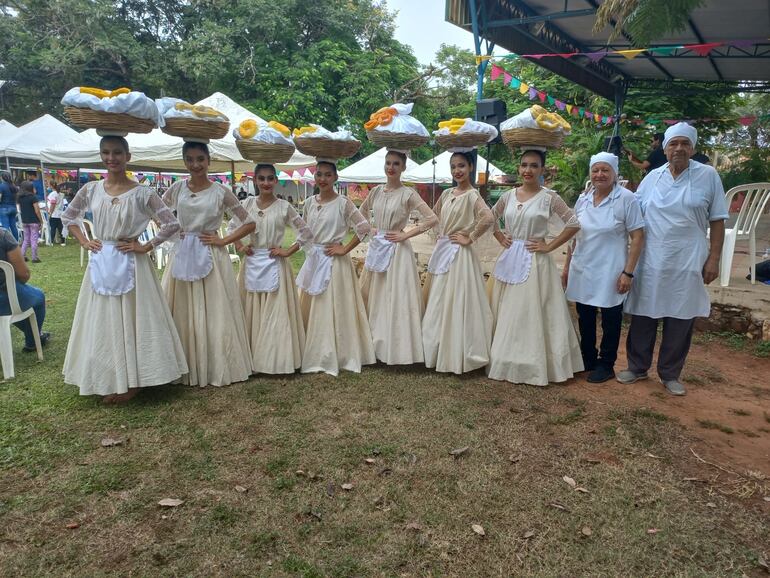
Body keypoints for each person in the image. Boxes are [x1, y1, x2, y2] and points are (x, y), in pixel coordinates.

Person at [62, 135, 188, 402]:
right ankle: (106, 374)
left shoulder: (144, 192)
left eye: (117, 152)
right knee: (103, 319)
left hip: (132, 262)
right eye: (106, 152)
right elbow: (69, 216)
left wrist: (147, 245)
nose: (112, 158)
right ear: (101, 155)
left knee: (136, 318)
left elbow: (170, 223)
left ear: (128, 156)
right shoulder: (91, 190)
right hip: (102, 261)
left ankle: (136, 380)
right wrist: (85, 241)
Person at [620, 122, 728, 396]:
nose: (679, 149)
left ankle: (670, 373)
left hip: (688, 256)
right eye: (673, 144)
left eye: (685, 144)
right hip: (652, 256)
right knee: (644, 311)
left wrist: (713, 258)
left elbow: (717, 220)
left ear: (692, 148)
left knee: (681, 315)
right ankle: (637, 366)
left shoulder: (708, 175)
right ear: (665, 148)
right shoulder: (653, 177)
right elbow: (634, 214)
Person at [161, 141, 255, 387]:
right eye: (190, 159)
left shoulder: (220, 191)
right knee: (181, 307)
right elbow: (157, 212)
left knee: (215, 309)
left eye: (200, 159)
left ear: (208, 160)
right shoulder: (176, 189)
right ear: (184, 161)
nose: (195, 165)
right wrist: (173, 232)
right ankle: (183, 362)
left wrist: (223, 240)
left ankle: (216, 362)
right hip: (183, 252)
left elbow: (248, 222)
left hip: (211, 254)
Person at [487, 149, 583, 385]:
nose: (527, 170)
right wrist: (500, 237)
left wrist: (549, 246)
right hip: (511, 257)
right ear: (519, 168)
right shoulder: (508, 196)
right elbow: (489, 217)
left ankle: (533, 362)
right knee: (507, 307)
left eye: (533, 165)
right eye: (524, 165)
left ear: (542, 169)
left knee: (530, 311)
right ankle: (503, 356)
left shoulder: (550, 197)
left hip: (536, 262)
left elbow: (573, 223)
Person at [563, 152, 645, 383]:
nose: (600, 174)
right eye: (596, 170)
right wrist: (567, 268)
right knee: (585, 316)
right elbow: (574, 235)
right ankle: (587, 357)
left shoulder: (626, 199)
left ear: (614, 173)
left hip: (611, 269)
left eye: (605, 170)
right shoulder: (584, 199)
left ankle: (606, 363)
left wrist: (628, 272)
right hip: (582, 266)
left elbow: (638, 237)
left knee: (610, 318)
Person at [358, 150, 438, 365]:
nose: (390, 167)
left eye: (395, 164)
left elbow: (431, 219)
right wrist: (372, 230)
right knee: (376, 292)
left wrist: (406, 234)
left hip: (397, 250)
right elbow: (360, 213)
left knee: (395, 295)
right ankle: (372, 342)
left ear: (403, 167)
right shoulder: (375, 191)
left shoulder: (408, 194)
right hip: (378, 246)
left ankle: (396, 345)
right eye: (388, 163)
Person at [232, 164, 313, 374]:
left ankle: (276, 358)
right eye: (261, 178)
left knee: (276, 312)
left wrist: (288, 251)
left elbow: (305, 231)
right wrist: (240, 245)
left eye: (270, 178)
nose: (266, 183)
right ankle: (251, 355)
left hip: (274, 261)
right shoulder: (246, 204)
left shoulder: (284, 207)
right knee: (251, 309)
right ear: (255, 180)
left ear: (276, 180)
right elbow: (233, 228)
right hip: (251, 261)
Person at [298, 160, 375, 375]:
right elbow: (304, 230)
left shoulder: (343, 203)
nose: (322, 179)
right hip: (315, 259)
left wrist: (345, 248)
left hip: (335, 262)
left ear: (335, 177)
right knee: (314, 305)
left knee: (335, 306)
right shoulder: (309, 203)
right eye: (319, 174)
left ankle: (339, 352)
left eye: (327, 175)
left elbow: (364, 227)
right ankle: (312, 349)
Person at [422, 151, 494, 374]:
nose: (457, 171)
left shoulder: (473, 195)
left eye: (461, 166)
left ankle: (459, 350)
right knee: (439, 299)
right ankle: (435, 348)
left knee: (459, 298)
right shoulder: (446, 194)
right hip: (445, 249)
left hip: (461, 256)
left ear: (471, 167)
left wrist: (469, 236)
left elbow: (488, 218)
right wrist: (440, 234)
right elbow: (433, 217)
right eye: (453, 167)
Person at [0, 225, 50, 352]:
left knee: (13, 302)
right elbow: (24, 274)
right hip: (4, 296)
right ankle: (33, 341)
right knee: (37, 297)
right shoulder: (3, 236)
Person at [17, 182, 43, 263]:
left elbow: (20, 210)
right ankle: (34, 257)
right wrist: (41, 221)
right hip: (34, 221)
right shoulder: (33, 197)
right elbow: (37, 211)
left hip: (25, 221)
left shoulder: (20, 198)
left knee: (26, 239)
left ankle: (22, 256)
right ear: (30, 188)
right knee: (34, 239)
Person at [0, 171, 19, 240]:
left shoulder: (1, 186)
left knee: (5, 228)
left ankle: (8, 244)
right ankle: (16, 243)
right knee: (13, 227)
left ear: (2, 177)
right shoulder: (13, 186)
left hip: (4, 208)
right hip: (13, 208)